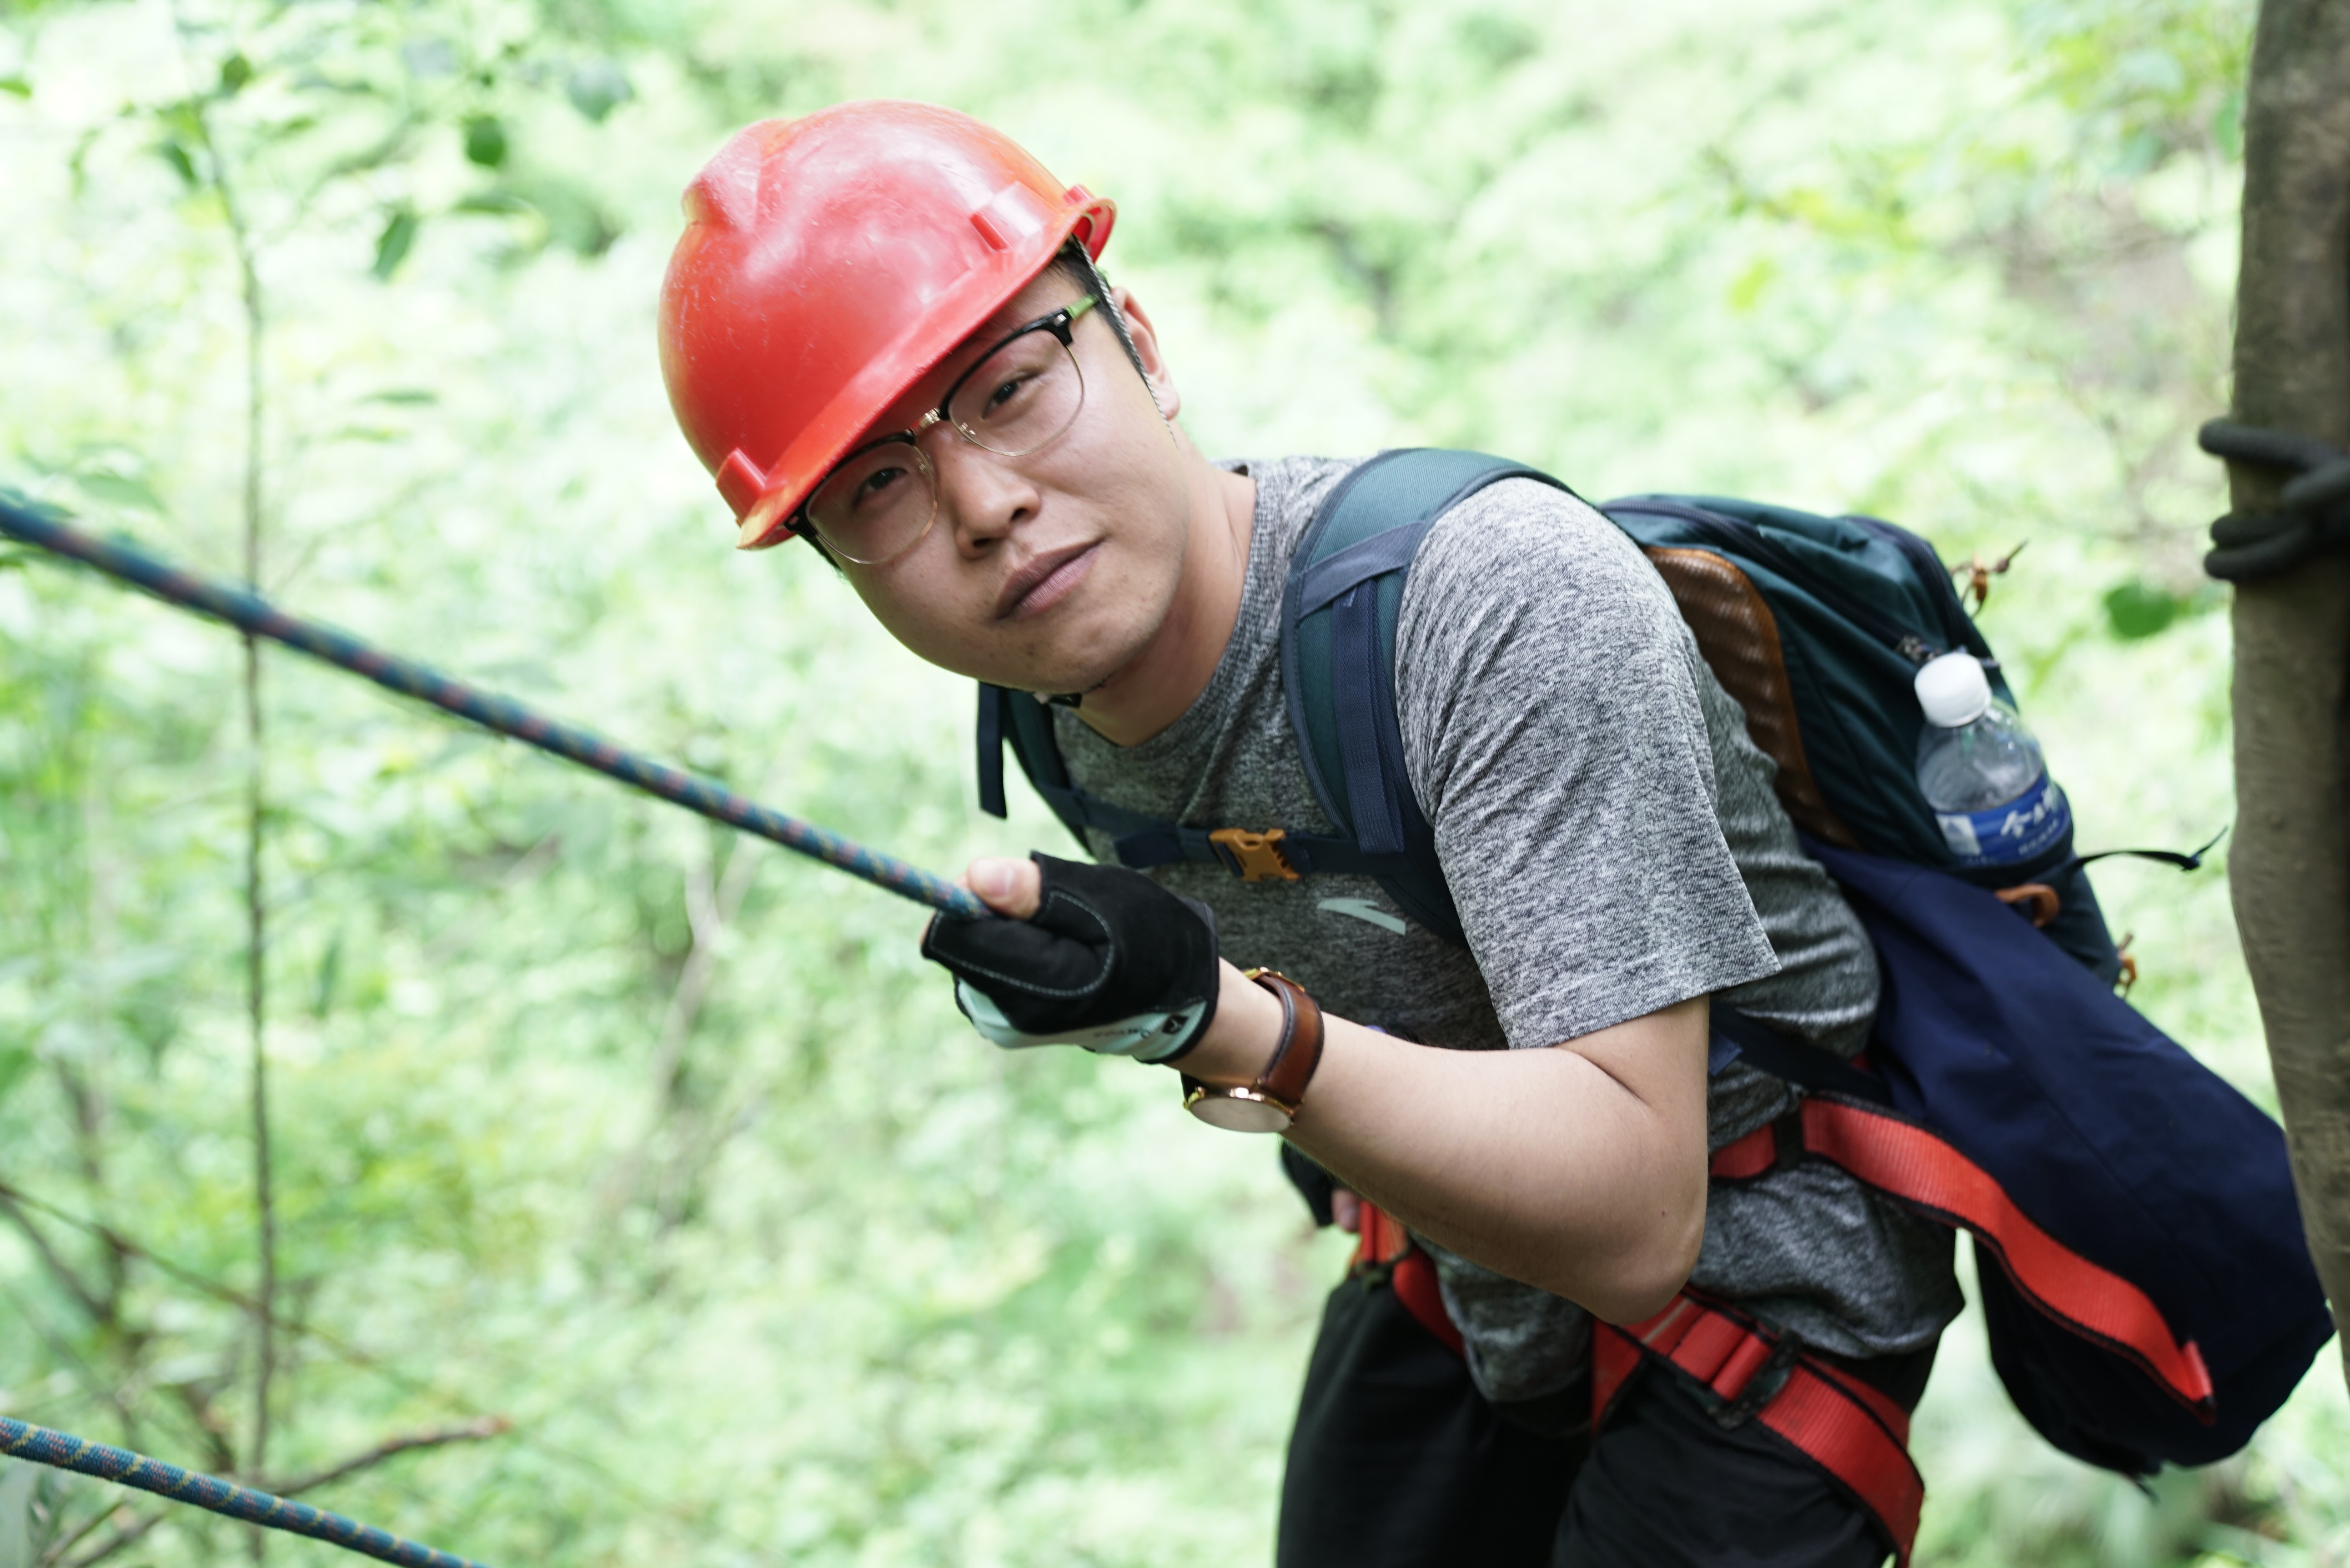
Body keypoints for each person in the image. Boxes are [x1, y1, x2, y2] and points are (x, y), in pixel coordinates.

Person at [658, 101, 1962, 1567]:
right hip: (1463, 1269)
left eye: (1012, 387)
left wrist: (1221, 1024)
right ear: (834, 562)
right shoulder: (1047, 698)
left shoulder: (1496, 604)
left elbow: (1636, 1220)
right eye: (877, 486)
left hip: (1761, 1290)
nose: (986, 506)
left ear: (1140, 344)